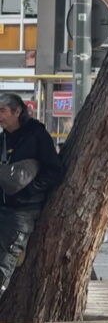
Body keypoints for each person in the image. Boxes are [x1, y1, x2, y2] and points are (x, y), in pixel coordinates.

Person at [0, 93, 64, 299]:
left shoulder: (36, 135)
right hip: (4, 206)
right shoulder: (3, 138)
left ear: (17, 111)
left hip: (23, 211)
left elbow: (54, 171)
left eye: (2, 111)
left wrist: (28, 192)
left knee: (4, 261)